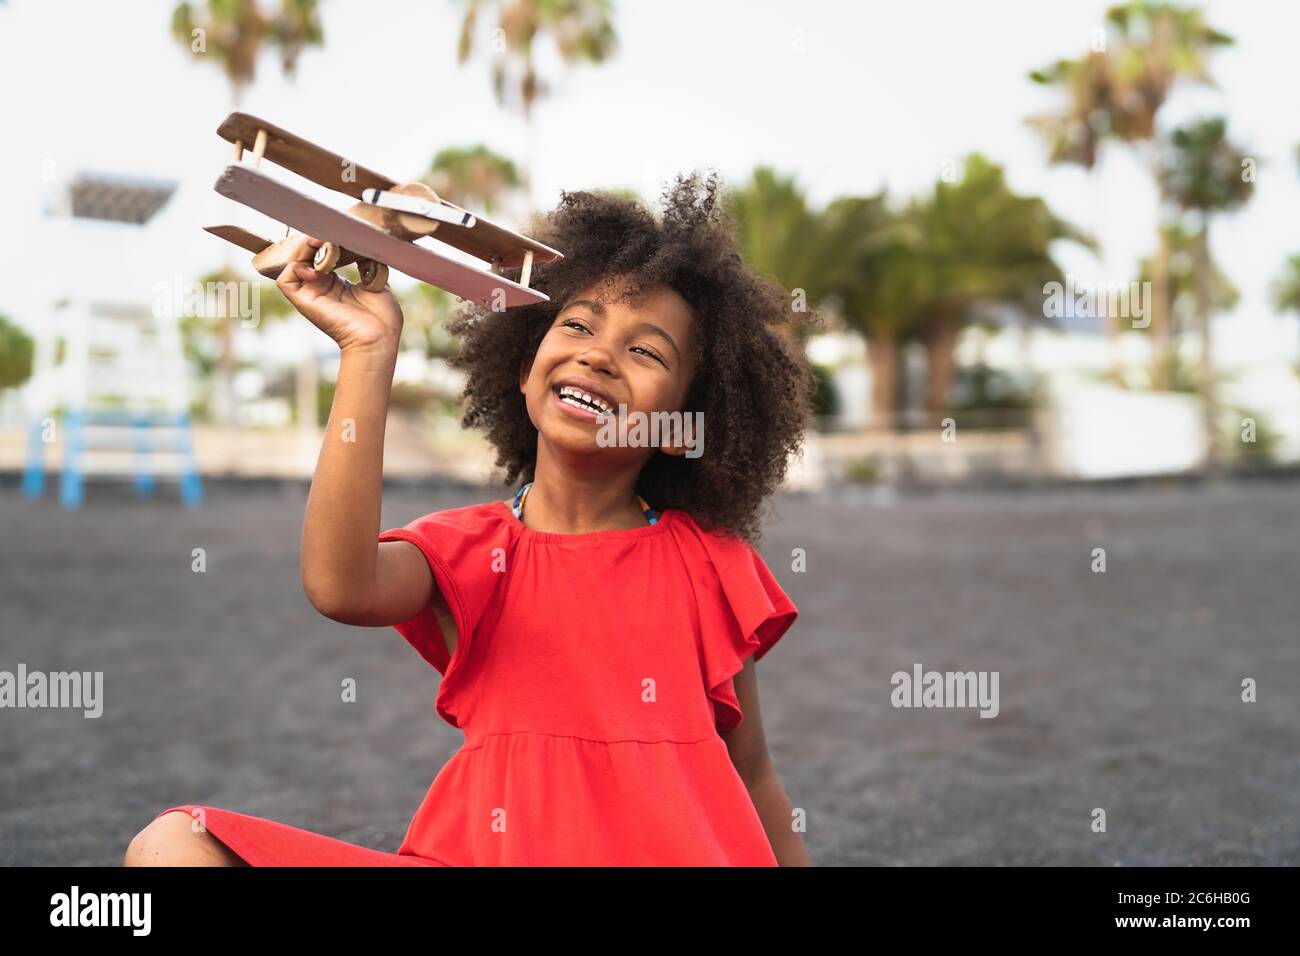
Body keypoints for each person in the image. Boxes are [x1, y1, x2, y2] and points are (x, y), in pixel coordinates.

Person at [124, 171, 817, 866]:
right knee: (174, 846)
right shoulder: (471, 552)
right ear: (525, 369)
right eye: (576, 323)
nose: (598, 354)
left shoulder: (708, 565)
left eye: (646, 352)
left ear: (680, 428)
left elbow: (751, 773)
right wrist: (367, 350)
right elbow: (340, 585)